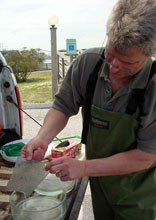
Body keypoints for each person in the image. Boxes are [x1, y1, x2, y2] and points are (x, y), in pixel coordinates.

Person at [21, 0, 156, 219]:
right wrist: (42, 138)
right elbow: (62, 106)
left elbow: (145, 156)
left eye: (127, 62)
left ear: (149, 55)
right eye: (111, 54)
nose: (113, 67)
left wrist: (83, 168)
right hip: (100, 186)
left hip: (140, 195)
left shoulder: (153, 85)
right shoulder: (88, 63)